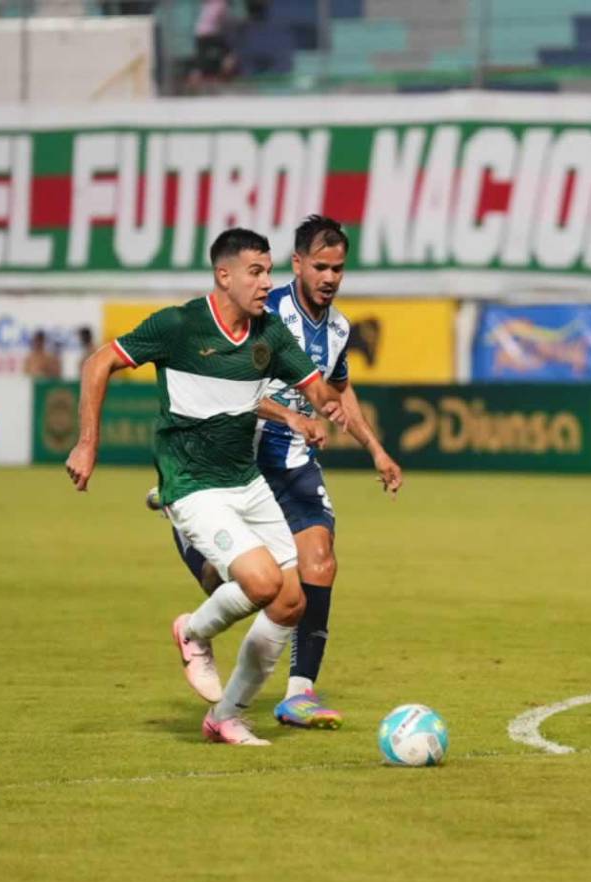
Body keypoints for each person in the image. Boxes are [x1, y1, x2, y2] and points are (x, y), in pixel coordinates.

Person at [66, 228, 348, 746]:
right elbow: (98, 362)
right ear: (224, 275)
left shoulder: (270, 335)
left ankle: (226, 716)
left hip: (247, 481)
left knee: (291, 602)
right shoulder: (178, 326)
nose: (266, 283)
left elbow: (316, 388)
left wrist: (325, 403)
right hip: (192, 483)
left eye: (268, 272)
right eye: (255, 272)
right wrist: (88, 444)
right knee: (262, 583)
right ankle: (192, 632)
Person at [151, 215, 404, 730]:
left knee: (320, 563)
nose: (330, 278)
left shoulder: (339, 329)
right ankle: (184, 524)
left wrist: (376, 449)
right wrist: (291, 415)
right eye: (320, 267)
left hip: (294, 464)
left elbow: (339, 391)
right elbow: (236, 391)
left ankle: (298, 693)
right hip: (242, 462)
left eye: (338, 268)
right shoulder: (265, 313)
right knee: (233, 584)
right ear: (297, 264)